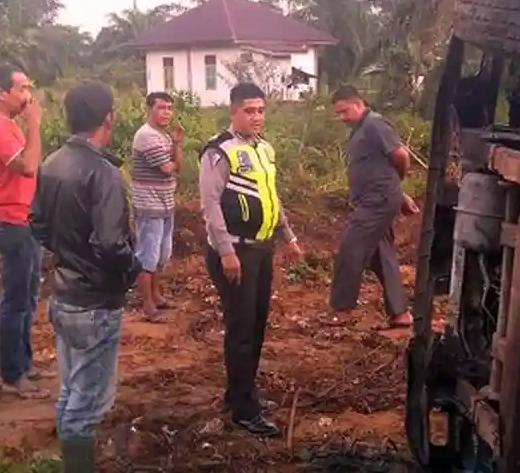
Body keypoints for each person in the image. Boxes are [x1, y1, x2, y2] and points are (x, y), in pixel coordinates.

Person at [31, 81, 142, 473]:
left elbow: (37, 224)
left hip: (63, 295)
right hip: (95, 302)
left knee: (71, 390)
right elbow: (112, 244)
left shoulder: (51, 163)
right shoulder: (103, 173)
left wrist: (69, 253)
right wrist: (132, 270)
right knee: (88, 400)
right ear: (108, 117)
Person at [199, 82, 302, 437]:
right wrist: (226, 251)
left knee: (256, 326)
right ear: (233, 112)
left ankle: (242, 393)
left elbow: (271, 196)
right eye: (249, 110)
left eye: (260, 110)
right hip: (235, 252)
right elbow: (210, 205)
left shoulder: (264, 150)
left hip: (261, 249)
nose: (256, 117)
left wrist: (287, 235)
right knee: (241, 329)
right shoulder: (219, 152)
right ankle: (243, 410)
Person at [0, 63, 48, 398]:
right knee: (15, 301)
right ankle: (11, 374)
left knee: (29, 297)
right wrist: (34, 125)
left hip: (26, 219)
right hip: (12, 221)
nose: (27, 95)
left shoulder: (9, 124)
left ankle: (24, 363)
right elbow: (28, 165)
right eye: (21, 88)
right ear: (2, 93)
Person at [327, 85, 418, 330]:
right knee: (383, 255)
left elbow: (401, 156)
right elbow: (379, 169)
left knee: (351, 247)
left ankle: (342, 310)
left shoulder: (375, 125)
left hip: (376, 201)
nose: (342, 118)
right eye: (338, 113)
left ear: (358, 104)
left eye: (344, 111)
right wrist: (398, 194)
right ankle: (400, 314)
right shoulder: (361, 129)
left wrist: (395, 189)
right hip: (375, 199)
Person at [130, 91, 184, 322]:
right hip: (149, 203)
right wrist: (176, 148)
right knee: (147, 256)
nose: (167, 113)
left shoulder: (163, 137)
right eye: (161, 108)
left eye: (170, 108)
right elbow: (168, 168)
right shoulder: (147, 136)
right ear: (149, 109)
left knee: (161, 254)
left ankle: (156, 296)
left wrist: (177, 144)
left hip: (164, 202)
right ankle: (148, 306)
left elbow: (177, 166)